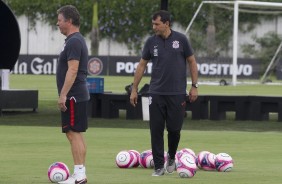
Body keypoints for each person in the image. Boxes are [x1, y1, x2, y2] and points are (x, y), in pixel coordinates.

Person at [130, 10, 198, 176]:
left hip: (177, 94)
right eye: (153, 24)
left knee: (174, 130)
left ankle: (173, 157)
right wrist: (134, 88)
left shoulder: (181, 39)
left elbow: (192, 61)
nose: (154, 27)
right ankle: (158, 166)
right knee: (156, 129)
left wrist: (194, 85)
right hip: (156, 93)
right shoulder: (151, 42)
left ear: (166, 23)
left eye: (157, 24)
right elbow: (141, 65)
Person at [56, 5, 89, 184]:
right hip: (77, 94)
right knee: (74, 133)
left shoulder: (74, 41)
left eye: (60, 20)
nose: (58, 24)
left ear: (69, 21)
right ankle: (80, 173)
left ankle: (79, 176)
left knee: (73, 133)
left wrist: (63, 95)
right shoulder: (73, 40)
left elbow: (73, 69)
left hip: (74, 95)